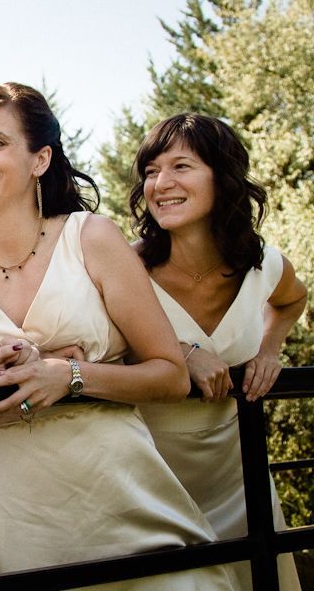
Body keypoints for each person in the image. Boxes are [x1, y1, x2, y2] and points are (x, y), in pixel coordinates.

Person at [0, 83, 235, 588]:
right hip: (17, 521)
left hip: (121, 498)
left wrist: (68, 375)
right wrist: (15, 387)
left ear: (40, 159)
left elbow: (170, 374)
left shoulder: (91, 236)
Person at [130, 113, 307, 590]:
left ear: (222, 177)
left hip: (241, 473)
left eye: (181, 166)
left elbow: (292, 300)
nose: (161, 183)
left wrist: (270, 350)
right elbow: (100, 351)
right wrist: (181, 354)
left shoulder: (264, 264)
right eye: (151, 171)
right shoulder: (126, 268)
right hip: (152, 480)